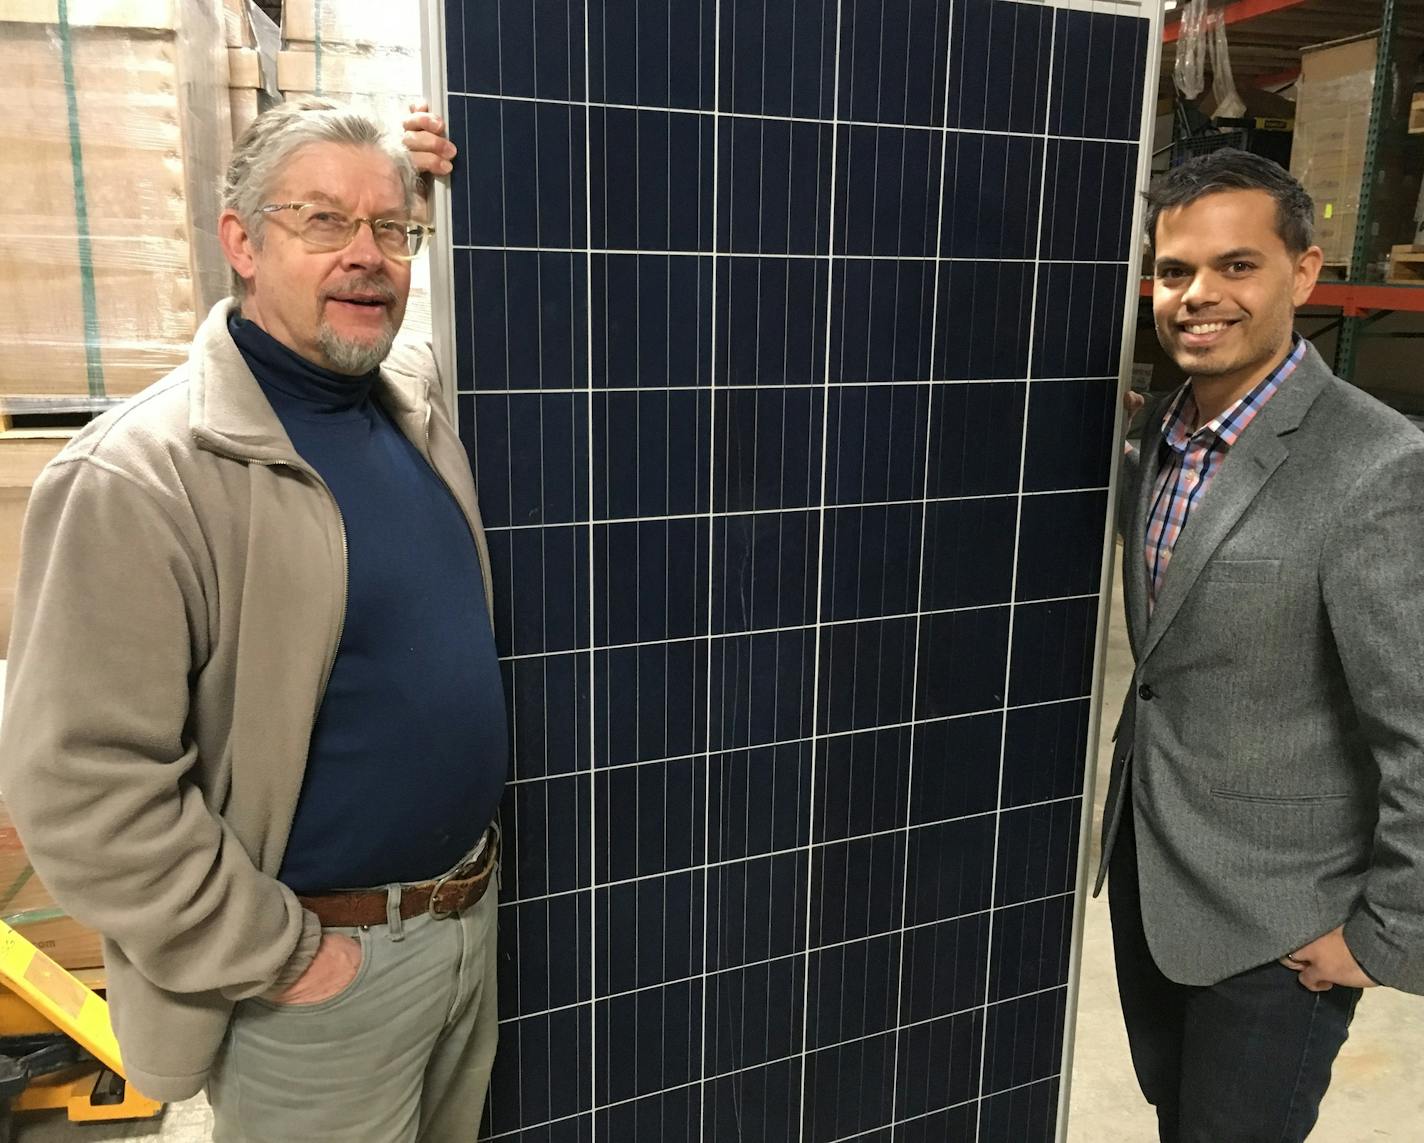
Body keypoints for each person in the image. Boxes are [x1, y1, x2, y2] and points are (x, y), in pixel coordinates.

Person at [0, 98, 504, 1142]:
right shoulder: (138, 478)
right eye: (322, 222)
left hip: (466, 932)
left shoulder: (407, 410)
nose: (366, 257)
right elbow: (80, 791)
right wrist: (285, 956)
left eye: (388, 230)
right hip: (314, 982)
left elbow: (451, 301)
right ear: (241, 241)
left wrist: (445, 183)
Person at [1097, 146, 1424, 1142]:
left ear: (1304, 271)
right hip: (1153, 878)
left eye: (1235, 265)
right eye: (1174, 270)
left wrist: (1383, 936)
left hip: (1282, 926)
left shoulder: (1374, 466)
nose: (1197, 295)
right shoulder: (1155, 435)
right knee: (1176, 1119)